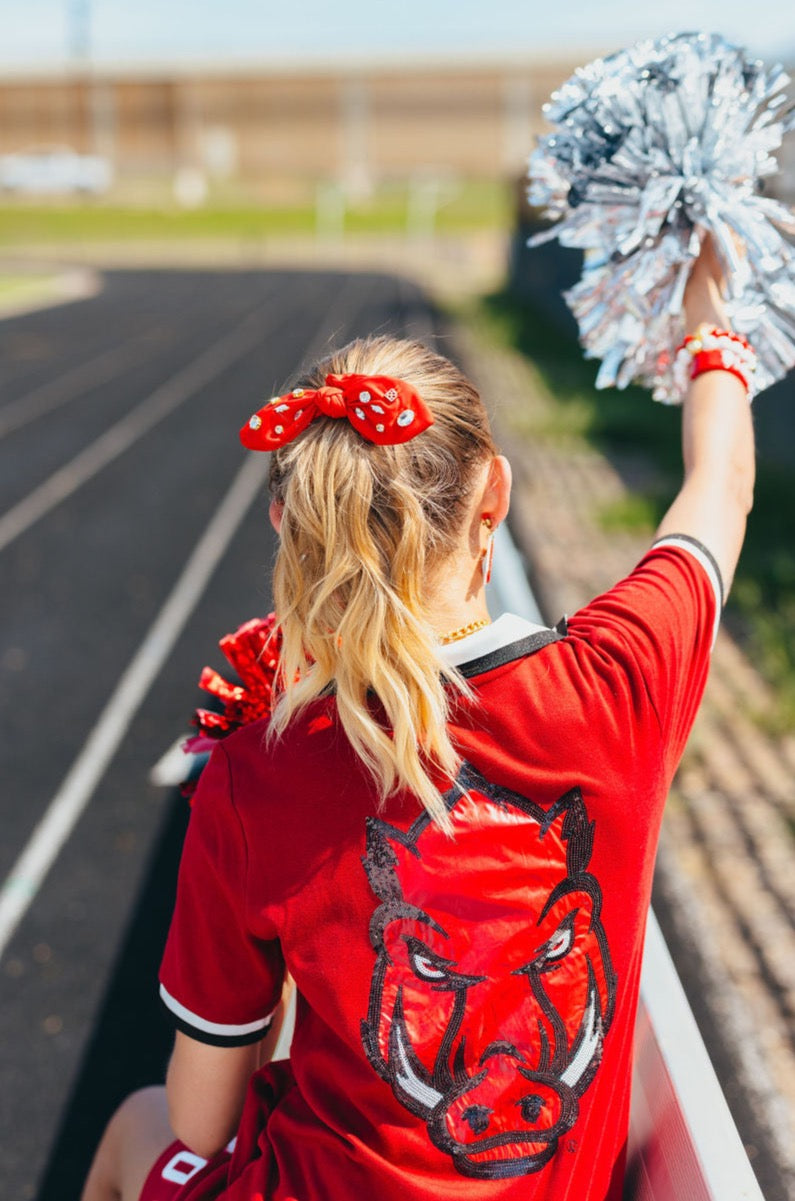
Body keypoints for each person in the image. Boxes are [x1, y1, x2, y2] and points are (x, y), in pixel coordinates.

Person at [82, 235, 755, 1201]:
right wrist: (706, 319)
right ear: (497, 497)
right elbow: (719, 491)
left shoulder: (252, 773)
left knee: (135, 1126)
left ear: (288, 527)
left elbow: (200, 1121)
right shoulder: (617, 684)